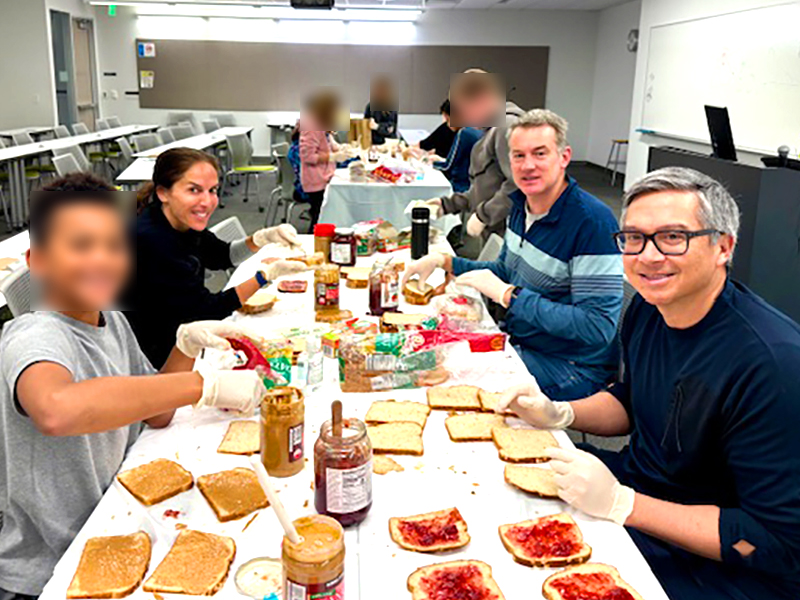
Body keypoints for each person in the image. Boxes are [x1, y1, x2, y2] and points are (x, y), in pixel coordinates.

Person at [499, 167, 800, 600]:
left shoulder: (771, 365)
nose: (648, 256)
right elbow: (633, 401)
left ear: (723, 247)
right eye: (634, 238)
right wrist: (560, 411)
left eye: (673, 237)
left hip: (726, 566)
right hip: (642, 490)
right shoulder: (646, 310)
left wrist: (623, 504)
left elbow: (772, 542)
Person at [0, 173, 265, 599]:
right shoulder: (34, 335)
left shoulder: (111, 320)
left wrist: (184, 346)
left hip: (114, 518)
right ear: (39, 261)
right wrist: (203, 385)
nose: (103, 260)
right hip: (52, 566)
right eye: (82, 246)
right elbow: (56, 409)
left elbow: (154, 411)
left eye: (114, 245)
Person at [403, 109, 622, 400]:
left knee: (446, 382)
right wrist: (445, 261)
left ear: (564, 157)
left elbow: (597, 327)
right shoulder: (521, 205)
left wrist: (510, 296)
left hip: (571, 365)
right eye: (518, 156)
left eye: (540, 153)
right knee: (427, 354)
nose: (527, 165)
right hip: (520, 340)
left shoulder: (591, 223)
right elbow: (506, 272)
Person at [124, 148, 308, 368]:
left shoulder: (177, 219)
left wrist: (262, 238)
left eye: (213, 190)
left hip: (181, 335)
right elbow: (207, 310)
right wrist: (264, 276)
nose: (208, 201)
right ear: (163, 192)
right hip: (155, 357)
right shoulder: (153, 240)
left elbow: (222, 255)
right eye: (194, 190)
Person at [414, 69, 525, 241]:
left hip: (509, 233)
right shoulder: (490, 131)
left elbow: (519, 184)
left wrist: (484, 215)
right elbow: (485, 186)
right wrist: (447, 205)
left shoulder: (506, 127)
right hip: (496, 229)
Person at [299, 90, 354, 227]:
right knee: (319, 219)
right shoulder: (312, 127)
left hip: (324, 176)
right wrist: (333, 157)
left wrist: (341, 148)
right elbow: (307, 156)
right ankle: (313, 243)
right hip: (316, 181)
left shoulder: (322, 124)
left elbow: (328, 144)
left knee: (323, 217)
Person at [434, 124, 483, 193]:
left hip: (461, 186)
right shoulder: (486, 132)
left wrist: (432, 164)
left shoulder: (465, 133)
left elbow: (448, 166)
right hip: (478, 186)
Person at [363, 75, 398, 145]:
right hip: (373, 143)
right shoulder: (370, 106)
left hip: (387, 143)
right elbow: (365, 123)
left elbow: (390, 128)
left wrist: (377, 126)